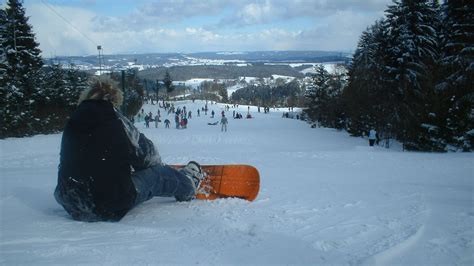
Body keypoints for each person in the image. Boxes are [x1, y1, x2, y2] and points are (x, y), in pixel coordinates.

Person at [54, 76, 204, 222]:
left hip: (71, 203)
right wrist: (149, 168)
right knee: (158, 175)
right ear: (114, 99)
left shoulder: (74, 120)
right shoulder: (114, 118)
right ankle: (189, 185)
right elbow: (146, 155)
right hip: (107, 206)